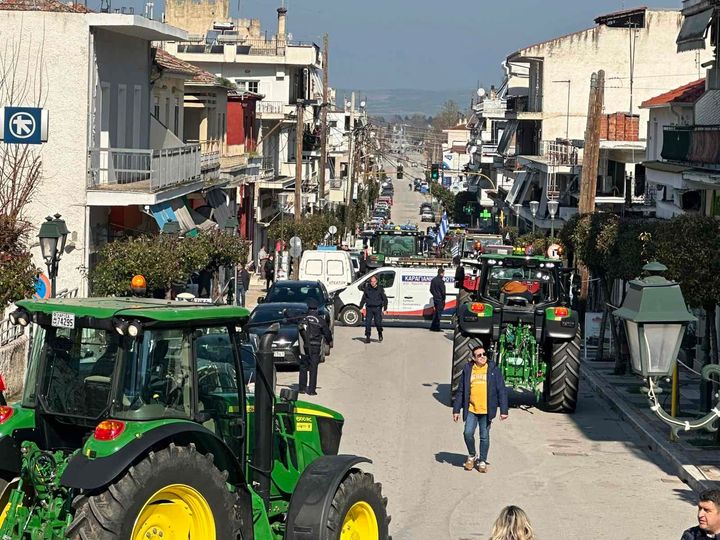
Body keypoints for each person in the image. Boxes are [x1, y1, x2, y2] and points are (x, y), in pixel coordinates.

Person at [452, 345, 509, 473]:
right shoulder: (468, 370)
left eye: (484, 354)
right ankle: (472, 455)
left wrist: (504, 411)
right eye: (479, 355)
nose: (483, 357)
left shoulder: (493, 369)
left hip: (486, 410)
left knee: (484, 436)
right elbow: (461, 390)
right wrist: (456, 410)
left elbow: (502, 391)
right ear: (474, 358)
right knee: (467, 433)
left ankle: (482, 461)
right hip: (472, 409)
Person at [297, 299, 333, 396]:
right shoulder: (320, 320)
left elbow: (296, 325)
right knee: (313, 368)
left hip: (304, 347)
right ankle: (312, 390)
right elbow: (327, 332)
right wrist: (329, 341)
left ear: (308, 308)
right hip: (315, 346)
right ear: (316, 308)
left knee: (303, 366)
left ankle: (302, 388)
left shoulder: (303, 319)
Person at [359, 275, 387, 344]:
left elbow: (385, 299)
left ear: (376, 281)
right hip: (369, 308)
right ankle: (368, 337)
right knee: (367, 323)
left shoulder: (380, 289)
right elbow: (363, 299)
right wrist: (361, 307)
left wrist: (385, 309)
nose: (373, 283)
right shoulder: (367, 289)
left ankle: (380, 333)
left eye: (374, 281)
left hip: (377, 308)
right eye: (372, 281)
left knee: (378, 323)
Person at [429, 267, 446, 332]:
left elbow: (431, 289)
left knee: (436, 313)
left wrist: (434, 295)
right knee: (438, 314)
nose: (444, 274)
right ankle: (436, 327)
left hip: (435, 299)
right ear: (441, 273)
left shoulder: (433, 280)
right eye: (443, 273)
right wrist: (443, 299)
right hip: (440, 299)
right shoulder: (441, 281)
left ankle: (432, 327)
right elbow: (443, 291)